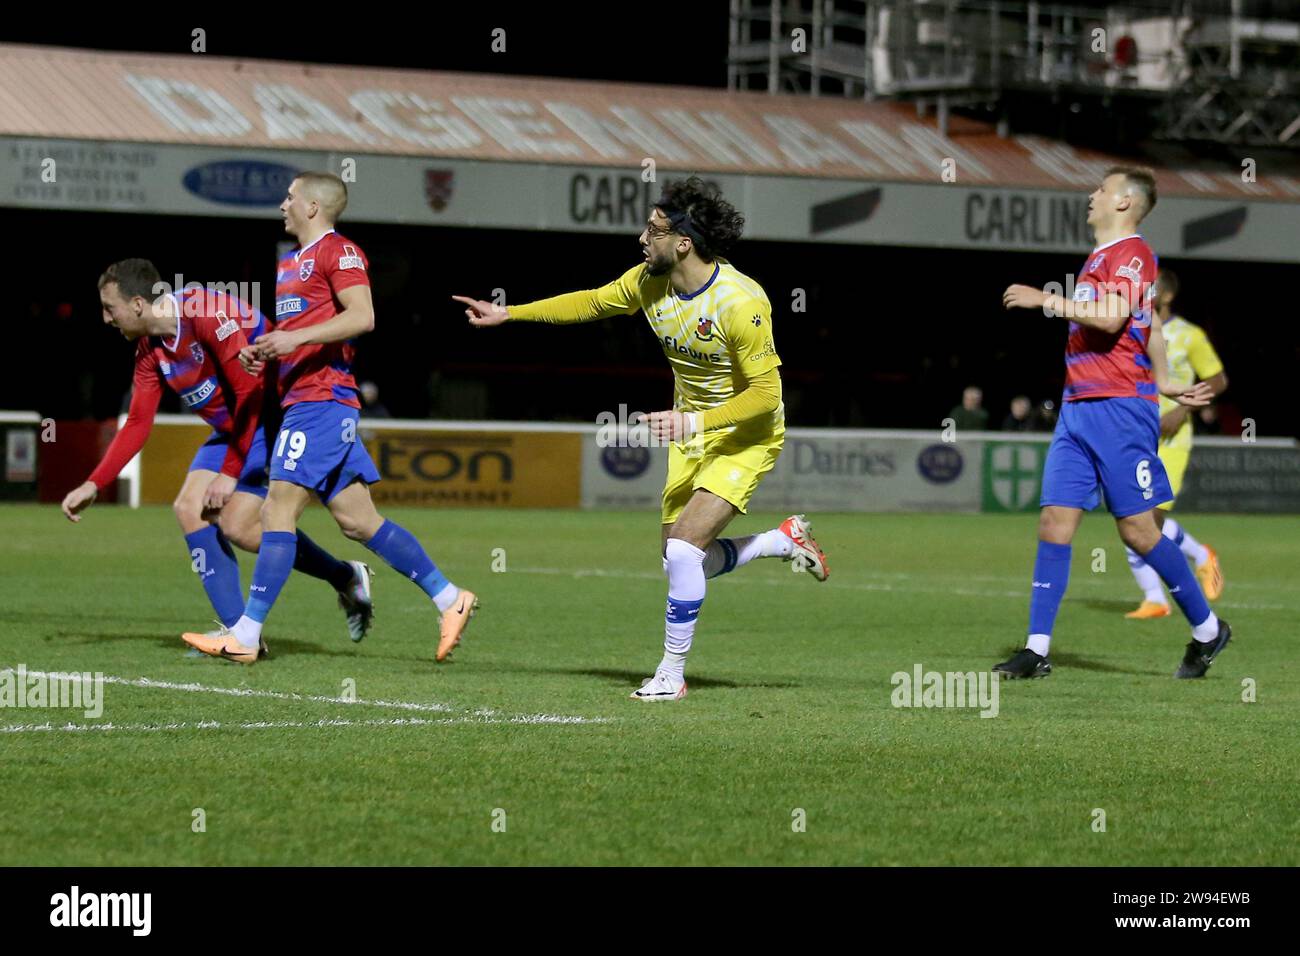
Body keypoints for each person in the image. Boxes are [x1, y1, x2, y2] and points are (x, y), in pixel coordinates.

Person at [452, 176, 828, 702]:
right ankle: (779, 541)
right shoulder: (649, 282)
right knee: (678, 558)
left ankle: (671, 675)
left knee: (681, 551)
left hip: (745, 435)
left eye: (652, 230)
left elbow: (766, 394)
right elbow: (590, 302)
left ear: (683, 243)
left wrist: (694, 422)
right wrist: (510, 313)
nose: (640, 238)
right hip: (690, 432)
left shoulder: (741, 302)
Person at [183, 173, 477, 664]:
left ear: (314, 206)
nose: (282, 204)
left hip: (322, 404)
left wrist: (292, 341)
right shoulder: (287, 264)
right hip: (307, 401)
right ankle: (451, 599)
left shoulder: (338, 251)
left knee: (277, 511)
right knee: (358, 522)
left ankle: (246, 636)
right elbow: (303, 332)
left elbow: (362, 316)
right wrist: (269, 350)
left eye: (290, 197)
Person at [993, 166, 1230, 681]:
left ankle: (1209, 630)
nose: (1092, 195)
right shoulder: (1105, 257)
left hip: (1120, 409)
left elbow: (1112, 316)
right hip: (1078, 406)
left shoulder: (1133, 254)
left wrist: (1047, 300)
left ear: (1124, 202)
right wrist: (1166, 380)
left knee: (1140, 533)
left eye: (1101, 189)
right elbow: (1150, 327)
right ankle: (1036, 650)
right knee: (1054, 523)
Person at [62, 259, 372, 646]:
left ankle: (338, 580)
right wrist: (94, 483)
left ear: (138, 304)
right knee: (190, 509)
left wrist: (229, 472)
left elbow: (249, 393)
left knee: (238, 525)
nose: (107, 318)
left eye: (111, 308)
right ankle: (241, 633)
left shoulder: (204, 312)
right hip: (233, 430)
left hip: (268, 419)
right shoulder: (150, 350)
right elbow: (139, 422)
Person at [1123, 268, 1227, 619]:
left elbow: (1218, 379)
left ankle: (1160, 595)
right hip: (1135, 436)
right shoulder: (1131, 331)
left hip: (1171, 438)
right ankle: (1185, 570)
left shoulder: (1189, 335)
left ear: (1166, 296)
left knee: (1143, 521)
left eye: (1149, 290)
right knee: (1133, 522)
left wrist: (1183, 409)